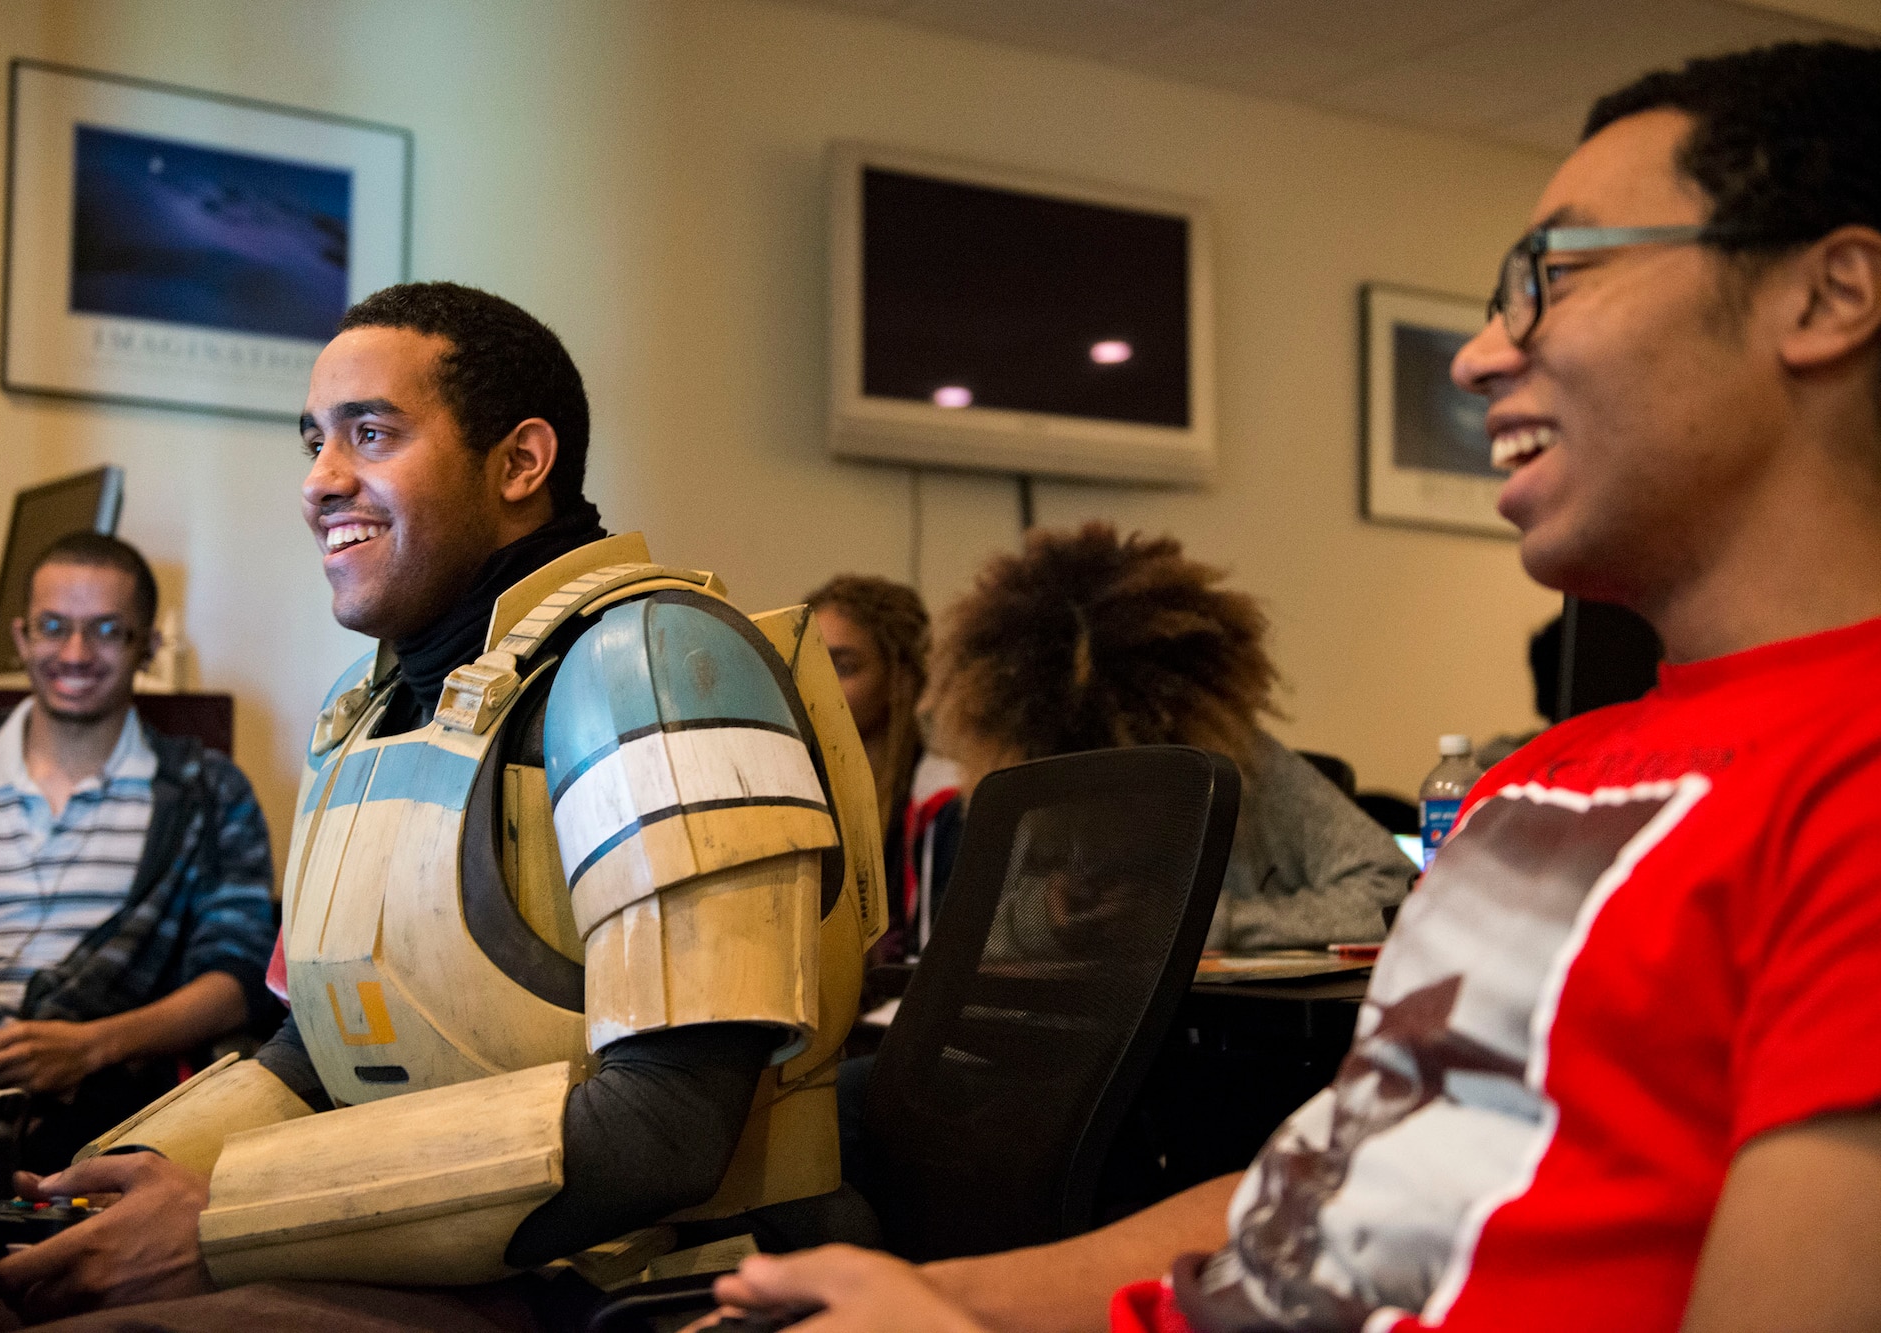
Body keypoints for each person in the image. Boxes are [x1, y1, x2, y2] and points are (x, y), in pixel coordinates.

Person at [710, 39, 1881, 1333]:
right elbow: (1337, 1182)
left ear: (1830, 295)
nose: (1480, 355)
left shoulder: (1852, 774)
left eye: (1551, 275)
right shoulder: (1528, 785)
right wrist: (930, 1300)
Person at [0, 281, 883, 1330]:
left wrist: (217, 1218)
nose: (321, 481)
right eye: (313, 440)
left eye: (369, 433)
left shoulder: (657, 658)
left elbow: (668, 1127)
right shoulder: (368, 707)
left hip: (642, 1279)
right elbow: (311, 1049)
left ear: (520, 462)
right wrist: (114, 1177)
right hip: (438, 1251)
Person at [0, 532, 278, 1173]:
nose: (74, 653)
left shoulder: (206, 793)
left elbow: (238, 984)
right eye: (53, 627)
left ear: (146, 647)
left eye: (106, 631)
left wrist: (93, 1046)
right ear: (21, 638)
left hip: (107, 1105)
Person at [922, 522, 1412, 950]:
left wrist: (1203, 923)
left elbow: (1394, 891)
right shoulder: (1029, 776)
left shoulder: (1246, 766)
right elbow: (969, 942)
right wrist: (1049, 918)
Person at [805, 575, 961, 963]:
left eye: (843, 667)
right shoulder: (797, 791)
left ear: (900, 676)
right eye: (809, 666)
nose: (817, 687)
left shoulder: (941, 801)